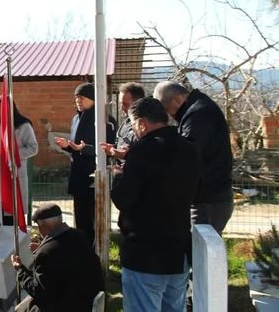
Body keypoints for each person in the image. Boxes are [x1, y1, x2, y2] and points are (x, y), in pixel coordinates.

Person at [111, 97, 201, 312]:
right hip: (177, 251)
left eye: (133, 126)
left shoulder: (142, 151)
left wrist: (118, 177)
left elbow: (123, 199)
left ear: (141, 123)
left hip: (145, 252)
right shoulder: (190, 149)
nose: (134, 131)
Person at [153, 81, 234, 234]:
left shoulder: (198, 114)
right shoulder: (199, 109)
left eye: (167, 109)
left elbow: (187, 154)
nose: (169, 115)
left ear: (177, 99)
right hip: (211, 197)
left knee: (199, 251)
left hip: (208, 199)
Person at [10, 203, 104, 312]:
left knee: (21, 309)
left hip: (67, 306)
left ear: (42, 225)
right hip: (89, 302)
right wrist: (42, 247)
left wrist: (20, 270)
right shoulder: (80, 235)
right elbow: (64, 256)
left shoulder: (45, 253)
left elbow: (37, 291)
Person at [54, 82, 116, 246]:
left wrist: (85, 149)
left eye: (82, 98)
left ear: (93, 99)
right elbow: (77, 147)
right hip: (78, 174)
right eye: (76, 98)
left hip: (94, 175)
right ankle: (83, 247)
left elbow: (109, 148)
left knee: (94, 217)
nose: (78, 101)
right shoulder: (76, 118)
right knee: (80, 217)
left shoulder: (105, 120)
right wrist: (68, 146)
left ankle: (96, 249)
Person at [0, 96, 38, 223]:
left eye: (2, 109)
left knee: (13, 211)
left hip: (15, 173)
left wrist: (12, 153)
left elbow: (33, 148)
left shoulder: (24, 125)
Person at [100, 82, 145, 163]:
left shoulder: (146, 126)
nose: (121, 108)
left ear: (138, 103)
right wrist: (114, 148)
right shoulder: (126, 123)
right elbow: (122, 147)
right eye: (121, 104)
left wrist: (126, 155)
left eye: (125, 104)